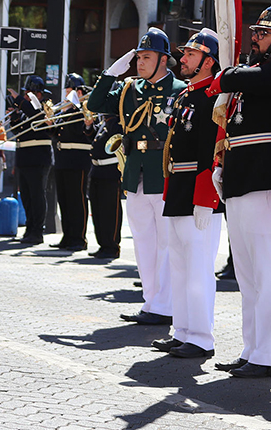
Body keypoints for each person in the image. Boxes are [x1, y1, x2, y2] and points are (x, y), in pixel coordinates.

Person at [208, 1, 271, 378]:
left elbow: (244, 80)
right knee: (247, 274)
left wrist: (227, 74)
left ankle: (267, 356)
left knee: (266, 272)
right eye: (255, 32)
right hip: (242, 179)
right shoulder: (257, 70)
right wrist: (223, 166)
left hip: (269, 181)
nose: (255, 38)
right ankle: (252, 350)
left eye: (263, 33)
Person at [87, 27, 185, 326]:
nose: (139, 63)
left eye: (147, 57)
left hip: (163, 172)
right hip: (135, 172)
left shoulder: (179, 89)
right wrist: (112, 71)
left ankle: (166, 306)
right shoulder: (130, 89)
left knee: (167, 244)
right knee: (144, 242)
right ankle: (151, 302)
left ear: (164, 60)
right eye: (138, 57)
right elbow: (94, 104)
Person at [150, 28, 223, 359]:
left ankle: (202, 337)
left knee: (198, 268)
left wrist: (206, 198)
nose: (183, 59)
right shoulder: (186, 96)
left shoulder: (213, 97)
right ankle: (182, 331)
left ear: (208, 61)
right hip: (179, 187)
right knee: (179, 264)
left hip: (199, 191)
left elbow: (213, 149)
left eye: (191, 55)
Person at [46, 73, 92, 252]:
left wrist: (69, 110)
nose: (66, 96)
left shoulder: (83, 110)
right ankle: (67, 236)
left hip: (78, 160)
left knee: (77, 200)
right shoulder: (65, 111)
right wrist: (51, 122)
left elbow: (78, 130)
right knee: (64, 201)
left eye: (69, 91)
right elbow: (55, 133)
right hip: (62, 159)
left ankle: (79, 238)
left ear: (79, 92)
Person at [7, 75, 54, 245]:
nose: (26, 96)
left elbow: (36, 117)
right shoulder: (27, 111)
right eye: (25, 93)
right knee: (26, 196)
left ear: (39, 94)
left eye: (30, 93)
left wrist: (19, 100)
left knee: (36, 196)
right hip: (25, 157)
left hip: (38, 157)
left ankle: (37, 230)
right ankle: (29, 227)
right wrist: (13, 117)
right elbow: (19, 130)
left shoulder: (43, 109)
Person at [85, 112, 123, 259]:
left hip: (111, 172)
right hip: (97, 171)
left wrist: (111, 118)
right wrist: (89, 127)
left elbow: (116, 135)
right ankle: (103, 244)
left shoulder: (116, 122)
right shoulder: (104, 122)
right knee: (98, 211)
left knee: (110, 211)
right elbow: (95, 140)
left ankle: (112, 245)